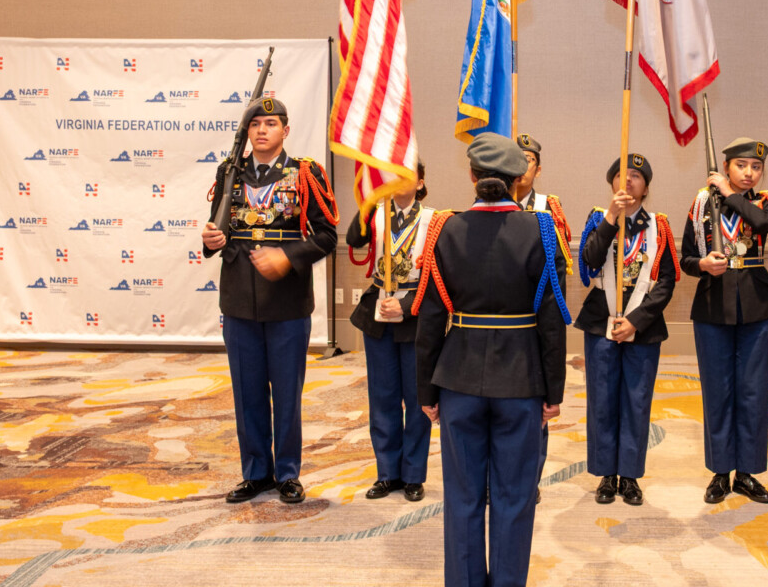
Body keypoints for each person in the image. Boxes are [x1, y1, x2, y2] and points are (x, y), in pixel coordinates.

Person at [414, 134, 569, 587]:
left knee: (462, 498)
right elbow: (552, 320)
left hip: (458, 379)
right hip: (522, 382)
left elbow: (429, 321)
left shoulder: (445, 229)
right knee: (514, 497)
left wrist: (427, 391)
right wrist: (553, 391)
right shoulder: (540, 230)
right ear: (519, 179)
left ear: (471, 176)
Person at [201, 98, 338, 504]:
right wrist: (210, 240)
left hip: (287, 302)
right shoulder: (230, 173)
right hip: (240, 299)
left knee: (286, 393)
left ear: (285, 131)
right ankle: (256, 472)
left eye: (271, 123)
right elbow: (218, 228)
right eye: (255, 124)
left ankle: (288, 473)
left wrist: (288, 257)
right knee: (247, 392)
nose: (262, 130)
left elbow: (327, 237)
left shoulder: (306, 174)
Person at [681, 137, 768, 505]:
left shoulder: (764, 203)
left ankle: (747, 472)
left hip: (757, 305)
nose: (748, 172)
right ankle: (720, 471)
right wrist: (703, 266)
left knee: (753, 391)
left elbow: (760, 224)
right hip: (713, 305)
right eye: (741, 166)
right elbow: (685, 259)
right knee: (718, 390)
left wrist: (728, 193)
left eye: (755, 167)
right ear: (726, 166)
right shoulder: (700, 205)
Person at [575, 153, 677, 506]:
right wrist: (611, 217)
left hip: (642, 327)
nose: (629, 180)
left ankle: (630, 475)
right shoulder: (598, 219)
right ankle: (606, 474)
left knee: (636, 401)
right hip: (601, 322)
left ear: (646, 186)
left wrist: (636, 320)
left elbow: (665, 283)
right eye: (622, 175)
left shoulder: (658, 226)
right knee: (602, 400)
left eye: (636, 175)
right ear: (612, 184)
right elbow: (588, 262)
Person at [346, 162, 434, 502]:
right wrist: (368, 200)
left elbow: (440, 276)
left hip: (414, 314)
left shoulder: (433, 221)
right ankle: (387, 473)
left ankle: (413, 475)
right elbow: (354, 239)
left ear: (421, 182)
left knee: (416, 400)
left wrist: (410, 303)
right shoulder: (377, 212)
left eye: (407, 174)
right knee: (382, 397)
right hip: (379, 310)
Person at [513, 132, 571, 502]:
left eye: (528, 160)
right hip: (499, 318)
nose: (521, 167)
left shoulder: (550, 209)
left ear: (538, 167)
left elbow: (560, 267)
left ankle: (530, 478)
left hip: (535, 319)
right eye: (515, 160)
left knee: (536, 407)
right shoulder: (489, 204)